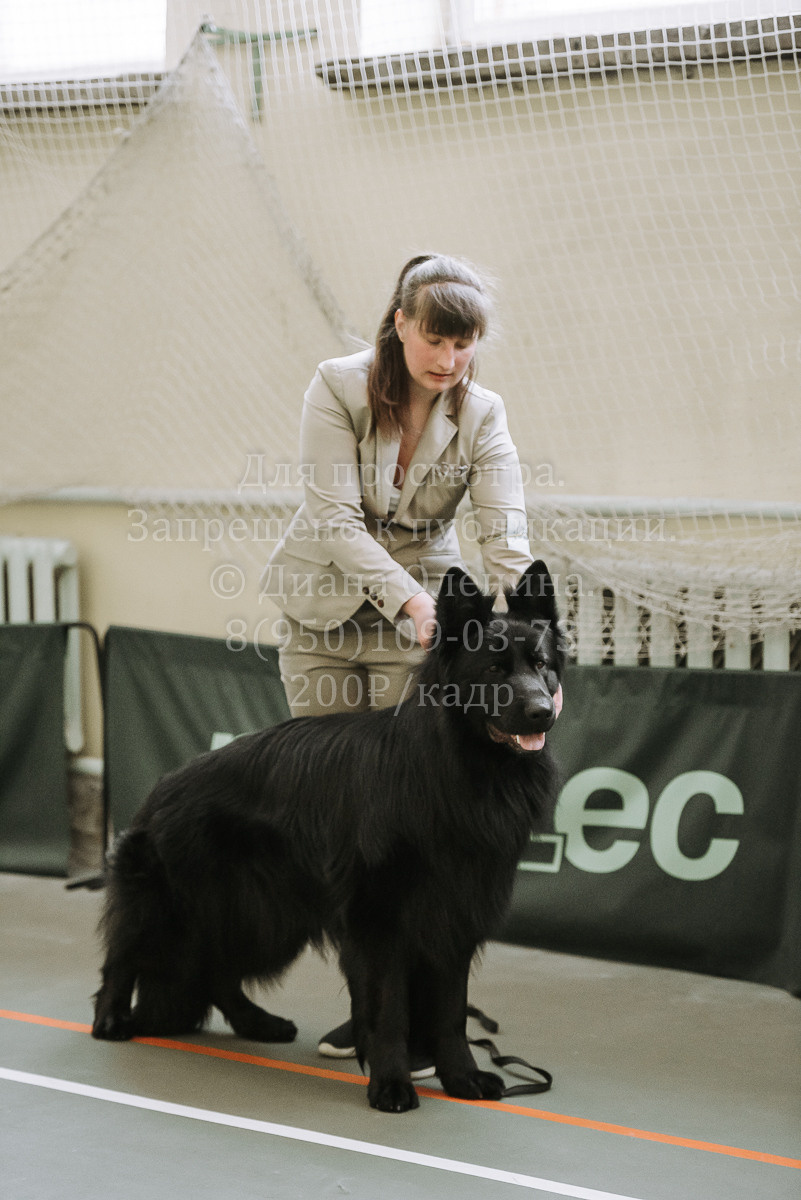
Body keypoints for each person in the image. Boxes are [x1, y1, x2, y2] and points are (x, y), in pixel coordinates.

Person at [261, 252, 560, 1070]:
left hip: (419, 628)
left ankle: (431, 1022)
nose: (449, 359)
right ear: (399, 323)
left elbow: (504, 537)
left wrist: (528, 640)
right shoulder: (337, 385)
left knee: (419, 827)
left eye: (464, 344)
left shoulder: (483, 414)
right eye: (435, 338)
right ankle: (370, 1016)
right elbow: (332, 517)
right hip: (324, 611)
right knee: (345, 823)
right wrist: (407, 597)